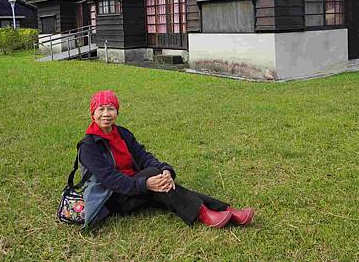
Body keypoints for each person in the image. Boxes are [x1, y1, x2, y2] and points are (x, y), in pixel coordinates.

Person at [78, 90, 255, 229]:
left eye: (111, 108)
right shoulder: (88, 146)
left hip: (136, 187)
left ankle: (225, 210)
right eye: (101, 109)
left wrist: (165, 170)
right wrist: (145, 184)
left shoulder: (123, 133)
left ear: (117, 111)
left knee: (165, 184)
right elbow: (110, 179)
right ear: (93, 114)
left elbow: (143, 156)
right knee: (155, 177)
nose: (106, 114)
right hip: (113, 198)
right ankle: (204, 213)